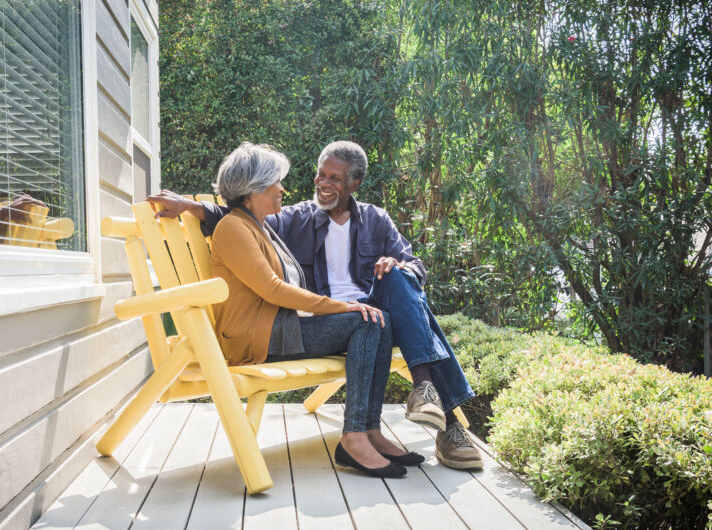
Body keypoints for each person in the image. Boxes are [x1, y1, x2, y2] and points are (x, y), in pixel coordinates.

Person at [149, 141, 484, 470]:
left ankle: (392, 413)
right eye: (320, 175)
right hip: (303, 322)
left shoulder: (376, 220)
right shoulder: (289, 220)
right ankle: (431, 421)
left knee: (399, 281)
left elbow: (415, 267)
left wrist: (397, 267)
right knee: (376, 319)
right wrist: (191, 206)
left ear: (355, 183)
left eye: (334, 178)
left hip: (352, 310)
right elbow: (243, 226)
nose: (321, 184)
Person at [202, 142, 423, 478]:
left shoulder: (259, 226)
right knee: (366, 321)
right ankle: (354, 438)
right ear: (254, 189)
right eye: (276, 182)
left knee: (379, 319)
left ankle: (368, 430)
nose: (283, 189)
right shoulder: (234, 228)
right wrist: (341, 307)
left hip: (279, 331)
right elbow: (273, 290)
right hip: (257, 341)